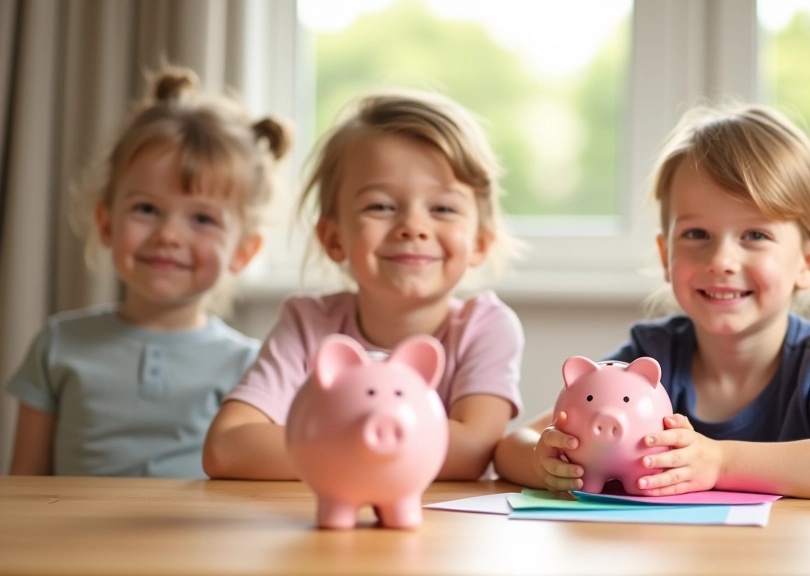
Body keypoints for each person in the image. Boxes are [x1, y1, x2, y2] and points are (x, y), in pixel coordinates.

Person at [493, 104, 810, 500]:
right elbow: (513, 446)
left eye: (755, 236)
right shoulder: (650, 359)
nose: (722, 260)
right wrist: (547, 462)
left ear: (809, 263)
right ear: (665, 255)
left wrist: (720, 461)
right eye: (696, 235)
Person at [203, 89, 524, 480]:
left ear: (479, 242)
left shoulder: (485, 328)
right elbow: (227, 447)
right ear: (334, 238)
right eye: (381, 206)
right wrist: (375, 446)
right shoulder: (307, 324)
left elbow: (470, 452)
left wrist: (329, 447)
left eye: (442, 208)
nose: (413, 228)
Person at [6, 65, 292, 477]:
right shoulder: (57, 345)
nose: (169, 235)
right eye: (147, 209)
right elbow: (23, 488)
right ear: (106, 223)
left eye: (202, 220)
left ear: (243, 252)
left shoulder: (250, 366)